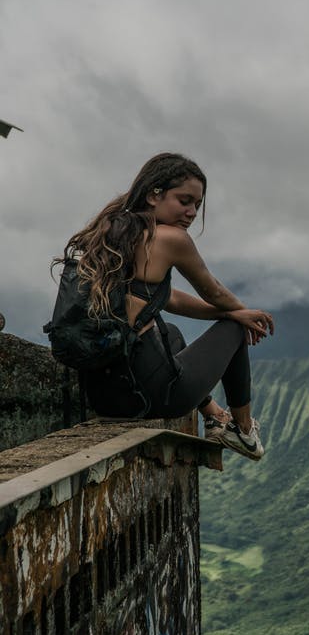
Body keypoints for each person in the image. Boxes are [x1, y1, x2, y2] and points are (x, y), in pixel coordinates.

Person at [56, 152, 274, 459]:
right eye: (184, 200)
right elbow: (213, 291)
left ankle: (213, 415)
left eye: (197, 204)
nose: (191, 212)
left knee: (169, 331)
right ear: (154, 194)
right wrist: (241, 314)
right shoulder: (172, 238)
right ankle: (244, 431)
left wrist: (228, 311)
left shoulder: (115, 232)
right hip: (152, 396)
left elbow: (169, 299)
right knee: (235, 330)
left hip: (107, 397)